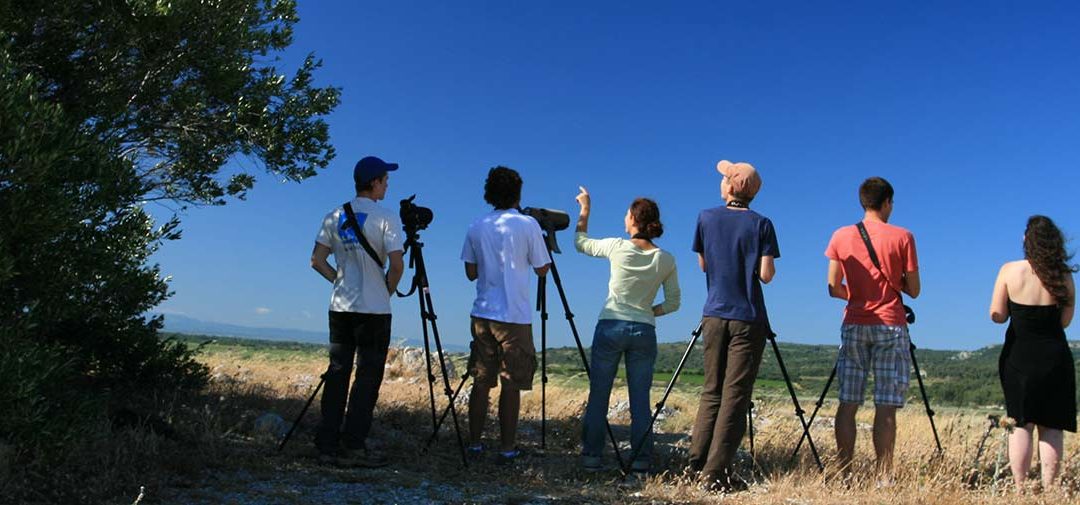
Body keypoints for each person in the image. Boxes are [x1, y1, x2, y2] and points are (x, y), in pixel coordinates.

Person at [574, 187, 681, 474]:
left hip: (611, 324)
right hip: (644, 330)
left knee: (599, 394)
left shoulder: (617, 247)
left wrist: (585, 209)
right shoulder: (666, 259)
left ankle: (592, 456)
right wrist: (648, 310)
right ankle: (641, 460)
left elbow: (580, 242)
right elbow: (673, 303)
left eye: (626, 214)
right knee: (640, 399)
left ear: (633, 219)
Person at [688, 160, 779, 490]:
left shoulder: (706, 218)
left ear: (729, 187)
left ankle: (695, 462)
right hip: (748, 316)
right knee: (735, 395)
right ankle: (716, 473)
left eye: (724, 177)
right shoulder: (762, 224)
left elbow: (703, 264)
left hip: (713, 312)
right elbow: (766, 275)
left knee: (711, 390)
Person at [310, 156, 405, 467]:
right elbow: (397, 264)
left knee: (337, 372)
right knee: (367, 377)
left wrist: (338, 280)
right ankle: (353, 443)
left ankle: (326, 442)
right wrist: (386, 291)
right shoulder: (387, 218)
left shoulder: (333, 215)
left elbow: (317, 261)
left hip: (340, 306)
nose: (387, 184)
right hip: (374, 310)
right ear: (374, 182)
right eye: (385, 180)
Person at [825, 176, 920, 477]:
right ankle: (883, 476)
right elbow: (914, 289)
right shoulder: (903, 236)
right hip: (891, 324)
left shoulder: (840, 235)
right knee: (886, 405)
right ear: (887, 202)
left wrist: (855, 294)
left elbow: (831, 286)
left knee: (848, 402)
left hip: (854, 322)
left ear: (863, 201)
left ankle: (845, 472)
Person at [461, 166, 551, 463]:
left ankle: (474, 445)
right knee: (511, 383)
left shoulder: (476, 225)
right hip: (514, 315)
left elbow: (470, 272)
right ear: (518, 193)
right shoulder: (527, 225)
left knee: (481, 381)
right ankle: (507, 448)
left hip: (483, 314)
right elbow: (542, 268)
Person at [989, 215, 1077, 490]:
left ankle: (1020, 487)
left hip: (1019, 358)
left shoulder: (1009, 270)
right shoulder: (1062, 276)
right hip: (1054, 358)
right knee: (1052, 426)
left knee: (1020, 424)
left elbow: (997, 314)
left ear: (1027, 240)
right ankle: (1050, 489)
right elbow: (1064, 321)